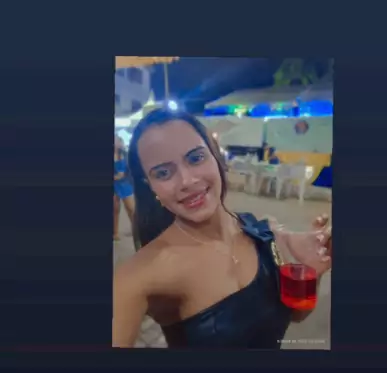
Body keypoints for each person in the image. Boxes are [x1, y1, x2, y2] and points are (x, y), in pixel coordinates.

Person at [113, 110, 332, 349]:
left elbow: (295, 315)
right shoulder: (139, 276)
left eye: (196, 158)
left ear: (215, 155)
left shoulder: (260, 233)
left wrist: (311, 271)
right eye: (163, 173)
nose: (187, 181)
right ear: (150, 185)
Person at [114, 135, 135, 241]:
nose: (117, 142)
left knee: (131, 208)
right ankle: (115, 233)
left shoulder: (124, 154)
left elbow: (123, 173)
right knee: (115, 209)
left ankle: (136, 229)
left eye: (118, 140)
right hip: (114, 185)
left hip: (125, 184)